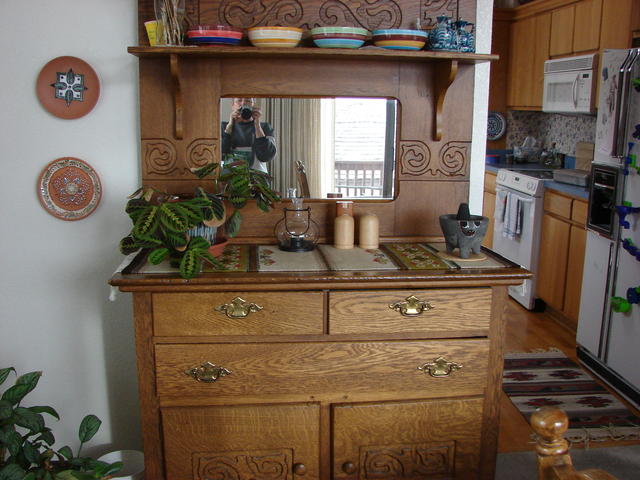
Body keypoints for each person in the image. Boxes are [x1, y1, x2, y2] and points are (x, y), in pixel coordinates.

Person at [221, 97, 276, 174]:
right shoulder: (224, 127)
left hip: (257, 179)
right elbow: (220, 155)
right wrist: (230, 126)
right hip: (230, 178)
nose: (243, 103)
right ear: (233, 105)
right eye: (239, 100)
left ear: (253, 105)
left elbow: (267, 156)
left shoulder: (265, 127)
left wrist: (257, 125)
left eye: (248, 100)